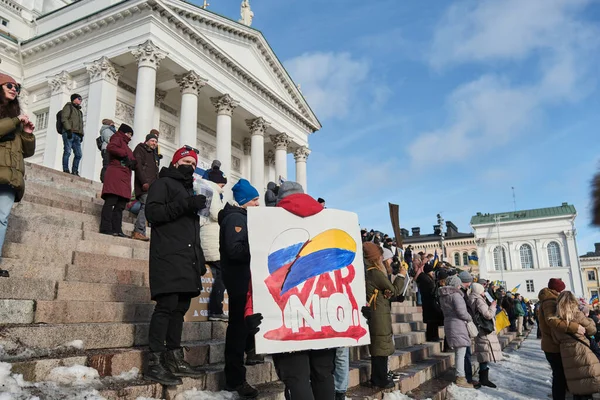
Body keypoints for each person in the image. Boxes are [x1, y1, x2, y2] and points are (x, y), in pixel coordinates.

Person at [247, 181, 337, 400]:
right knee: (324, 375)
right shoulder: (328, 221)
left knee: (297, 378)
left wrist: (250, 310)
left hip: (287, 313)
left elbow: (258, 274)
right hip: (323, 312)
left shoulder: (269, 224)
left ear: (279, 200)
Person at [144, 145, 208, 386]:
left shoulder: (188, 189)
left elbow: (192, 231)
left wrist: (199, 260)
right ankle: (155, 362)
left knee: (180, 308)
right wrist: (187, 204)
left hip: (186, 258)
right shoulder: (163, 183)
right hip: (168, 255)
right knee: (166, 306)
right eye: (186, 162)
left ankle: (174, 357)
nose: (190, 166)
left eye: (193, 164)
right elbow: (153, 213)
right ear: (174, 163)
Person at [219, 178, 261, 398]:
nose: (257, 204)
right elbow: (235, 250)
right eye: (254, 200)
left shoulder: (243, 218)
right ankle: (235, 379)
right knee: (237, 328)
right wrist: (259, 248)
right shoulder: (235, 218)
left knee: (244, 325)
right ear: (244, 200)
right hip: (238, 280)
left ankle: (250, 351)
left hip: (245, 279)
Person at [0, 73, 35, 278]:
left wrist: (28, 134)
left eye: (17, 88)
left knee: (2, 219)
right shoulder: (12, 119)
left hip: (10, 176)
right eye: (10, 85)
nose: (14, 89)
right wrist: (14, 121)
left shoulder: (17, 118)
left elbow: (26, 151)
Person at [363, 241, 406, 389]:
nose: (383, 259)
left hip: (380, 312)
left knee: (381, 346)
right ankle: (379, 379)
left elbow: (388, 291)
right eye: (381, 256)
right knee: (380, 347)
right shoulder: (374, 272)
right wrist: (401, 275)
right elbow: (395, 290)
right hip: (378, 314)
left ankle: (378, 377)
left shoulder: (373, 272)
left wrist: (385, 292)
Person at [538, 278, 586, 400]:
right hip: (553, 345)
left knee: (560, 375)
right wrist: (574, 327)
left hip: (552, 344)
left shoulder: (549, 299)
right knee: (559, 376)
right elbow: (552, 321)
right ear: (557, 289)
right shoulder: (549, 301)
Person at [552, 291, 600, 399]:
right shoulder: (577, 314)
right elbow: (592, 330)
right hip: (582, 351)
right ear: (573, 302)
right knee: (588, 382)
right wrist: (590, 320)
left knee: (576, 384)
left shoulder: (556, 320)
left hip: (566, 354)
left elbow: (555, 339)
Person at [201, 168, 228, 321]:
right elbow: (216, 213)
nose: (223, 187)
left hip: (205, 235)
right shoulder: (213, 190)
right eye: (223, 184)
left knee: (216, 273)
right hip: (212, 237)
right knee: (223, 273)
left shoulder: (203, 188)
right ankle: (216, 310)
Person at [99, 124, 136, 237]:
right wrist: (125, 156)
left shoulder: (127, 146)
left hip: (124, 178)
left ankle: (117, 229)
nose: (130, 136)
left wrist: (134, 163)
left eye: (131, 135)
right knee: (110, 202)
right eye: (129, 134)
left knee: (120, 206)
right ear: (124, 132)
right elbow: (111, 148)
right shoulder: (116, 138)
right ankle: (105, 227)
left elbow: (133, 159)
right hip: (115, 175)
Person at [439, 275, 474, 388]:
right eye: (458, 284)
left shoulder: (443, 296)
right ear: (455, 284)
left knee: (459, 352)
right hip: (458, 325)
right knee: (461, 353)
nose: (460, 286)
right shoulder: (456, 295)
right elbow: (461, 312)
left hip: (449, 323)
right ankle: (460, 378)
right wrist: (469, 318)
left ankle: (460, 376)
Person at [469, 282, 503, 388]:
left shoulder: (471, 298)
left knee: (484, 352)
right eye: (482, 290)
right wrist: (493, 306)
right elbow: (488, 315)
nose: (484, 292)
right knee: (485, 352)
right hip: (485, 330)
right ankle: (484, 379)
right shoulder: (479, 300)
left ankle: (484, 378)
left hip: (481, 329)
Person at [131, 133, 159, 241]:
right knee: (145, 206)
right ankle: (138, 231)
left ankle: (140, 231)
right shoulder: (140, 149)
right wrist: (144, 182)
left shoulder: (153, 153)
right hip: (144, 186)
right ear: (147, 141)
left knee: (147, 207)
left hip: (151, 186)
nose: (154, 143)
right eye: (152, 141)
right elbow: (138, 166)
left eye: (156, 142)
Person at [415, 258, 443, 342]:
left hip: (430, 302)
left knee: (433, 321)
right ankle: (432, 337)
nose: (433, 273)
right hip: (429, 303)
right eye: (431, 271)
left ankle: (434, 336)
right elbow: (430, 290)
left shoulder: (427, 278)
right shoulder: (424, 278)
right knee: (432, 322)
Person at [61, 93, 84, 176]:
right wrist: (68, 129)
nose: (80, 100)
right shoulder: (68, 107)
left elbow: (81, 124)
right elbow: (64, 118)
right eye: (79, 98)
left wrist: (82, 135)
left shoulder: (79, 112)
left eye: (81, 99)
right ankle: (66, 169)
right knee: (67, 151)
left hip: (77, 135)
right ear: (74, 99)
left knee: (79, 154)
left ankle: (75, 171)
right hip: (69, 133)